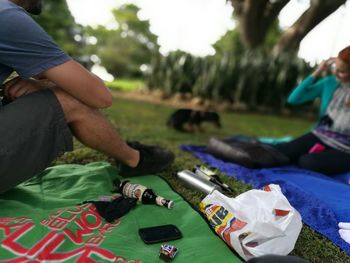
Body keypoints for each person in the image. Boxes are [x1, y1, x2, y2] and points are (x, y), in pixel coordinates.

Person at [0, 0, 174, 194]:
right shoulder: (6, 15)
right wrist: (46, 84)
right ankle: (134, 160)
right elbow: (100, 96)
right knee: (70, 99)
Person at [271, 45, 350, 175]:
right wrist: (317, 72)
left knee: (307, 162)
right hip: (320, 135)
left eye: (342, 71)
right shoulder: (330, 83)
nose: (336, 73)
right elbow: (294, 99)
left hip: (345, 149)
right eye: (336, 67)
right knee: (282, 152)